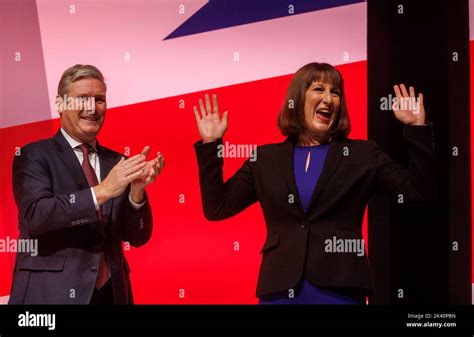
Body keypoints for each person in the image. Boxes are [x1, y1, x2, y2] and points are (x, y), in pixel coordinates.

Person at [193, 62, 435, 304]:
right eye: (319, 89)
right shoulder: (265, 159)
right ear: (297, 99)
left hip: (340, 290)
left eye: (335, 93)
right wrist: (212, 144)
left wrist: (416, 128)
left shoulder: (364, 154)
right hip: (279, 290)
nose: (328, 99)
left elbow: (417, 193)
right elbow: (217, 207)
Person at [9, 64, 164, 304]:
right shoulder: (33, 155)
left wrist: (137, 192)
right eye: (82, 99)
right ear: (60, 104)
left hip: (112, 295)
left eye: (99, 99)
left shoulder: (117, 163)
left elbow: (138, 237)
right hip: (49, 296)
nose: (92, 108)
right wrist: (102, 192)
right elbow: (37, 216)